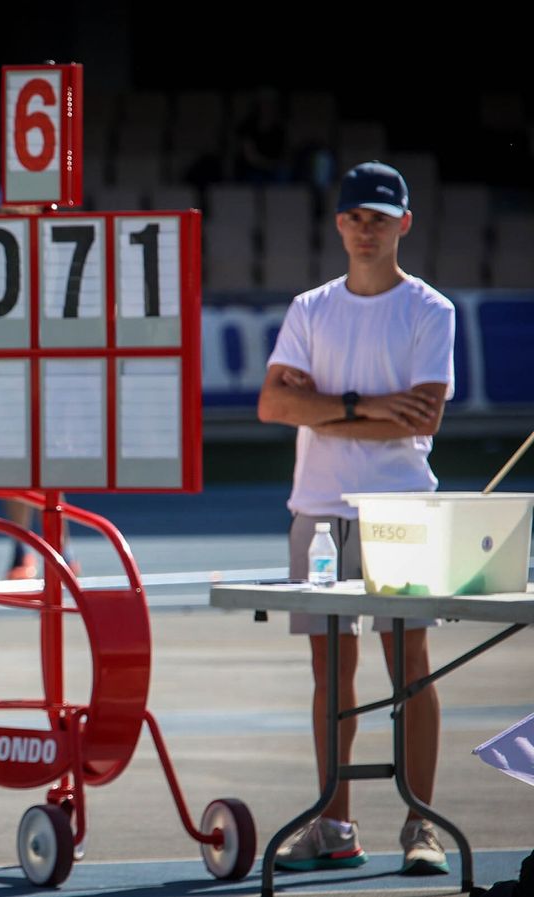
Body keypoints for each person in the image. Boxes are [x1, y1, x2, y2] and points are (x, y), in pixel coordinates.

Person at [258, 161, 454, 876]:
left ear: (405, 222)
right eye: (354, 216)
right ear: (339, 223)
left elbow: (423, 414)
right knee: (328, 670)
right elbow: (275, 406)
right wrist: (369, 405)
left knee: (411, 666)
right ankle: (333, 822)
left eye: (379, 216)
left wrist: (328, 408)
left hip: (401, 508)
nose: (365, 228)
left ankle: (422, 824)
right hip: (318, 509)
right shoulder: (310, 308)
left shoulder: (431, 311)